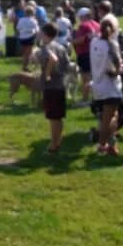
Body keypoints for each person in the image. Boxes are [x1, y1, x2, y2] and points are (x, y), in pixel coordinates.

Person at [90, 19, 123, 156]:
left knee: (112, 116)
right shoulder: (112, 44)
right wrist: (116, 73)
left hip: (98, 85)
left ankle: (112, 144)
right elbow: (118, 64)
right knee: (107, 119)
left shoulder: (94, 42)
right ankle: (102, 145)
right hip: (110, 87)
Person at [38, 22, 70, 153]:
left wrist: (47, 74)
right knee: (59, 117)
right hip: (61, 84)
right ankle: (58, 141)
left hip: (51, 86)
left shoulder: (46, 47)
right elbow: (67, 64)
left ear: (45, 34)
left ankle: (53, 145)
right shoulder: (61, 47)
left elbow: (53, 59)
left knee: (52, 118)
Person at [72, 7, 100, 105]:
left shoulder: (83, 26)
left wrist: (71, 41)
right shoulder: (97, 24)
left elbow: (80, 40)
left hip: (84, 53)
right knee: (95, 76)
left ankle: (85, 99)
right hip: (96, 53)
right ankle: (96, 97)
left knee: (85, 77)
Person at [16, 5, 39, 71]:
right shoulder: (33, 20)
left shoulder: (21, 19)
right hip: (30, 37)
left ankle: (25, 66)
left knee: (25, 53)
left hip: (22, 38)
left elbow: (18, 29)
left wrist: (19, 35)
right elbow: (37, 30)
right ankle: (25, 67)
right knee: (28, 54)